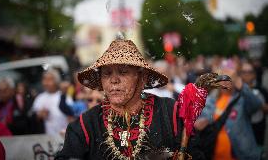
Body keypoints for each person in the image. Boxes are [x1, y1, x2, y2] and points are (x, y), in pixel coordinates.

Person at [56, 39, 205, 160]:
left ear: (142, 77)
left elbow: (197, 154)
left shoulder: (171, 112)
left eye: (123, 72)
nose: (114, 80)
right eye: (107, 74)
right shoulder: (85, 124)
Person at [195, 61, 262, 160]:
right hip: (214, 154)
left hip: (240, 155)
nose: (225, 81)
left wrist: (243, 87)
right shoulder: (211, 100)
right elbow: (201, 119)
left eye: (229, 78)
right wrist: (198, 124)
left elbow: (256, 104)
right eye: (222, 77)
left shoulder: (241, 99)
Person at [32, 69, 69, 135]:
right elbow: (34, 117)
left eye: (49, 80)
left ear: (57, 81)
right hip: (48, 137)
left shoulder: (64, 96)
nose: (46, 83)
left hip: (65, 135)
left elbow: (72, 115)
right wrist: (40, 115)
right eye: (44, 80)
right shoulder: (40, 98)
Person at [240, 62, 268, 147]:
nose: (247, 74)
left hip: (258, 131)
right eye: (244, 72)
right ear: (240, 74)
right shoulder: (236, 91)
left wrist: (259, 105)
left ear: (254, 75)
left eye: (250, 72)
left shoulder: (262, 90)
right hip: (242, 133)